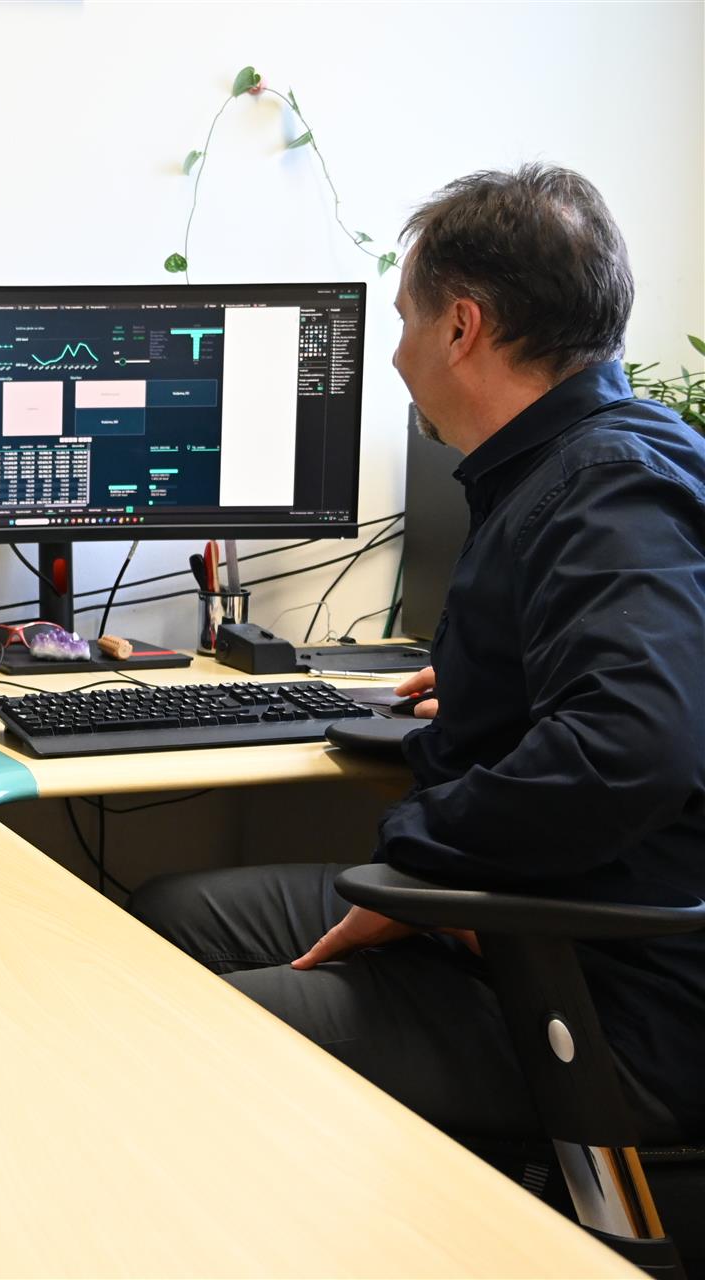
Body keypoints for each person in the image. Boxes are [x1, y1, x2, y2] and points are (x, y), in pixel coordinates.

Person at [131, 164, 705, 1145]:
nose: (396, 354)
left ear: (461, 327)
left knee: (184, 1041)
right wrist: (496, 678)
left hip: (605, 993)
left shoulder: (610, 485)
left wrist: (418, 860)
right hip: (534, 914)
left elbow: (633, 747)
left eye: (404, 320)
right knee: (167, 916)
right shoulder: (572, 466)